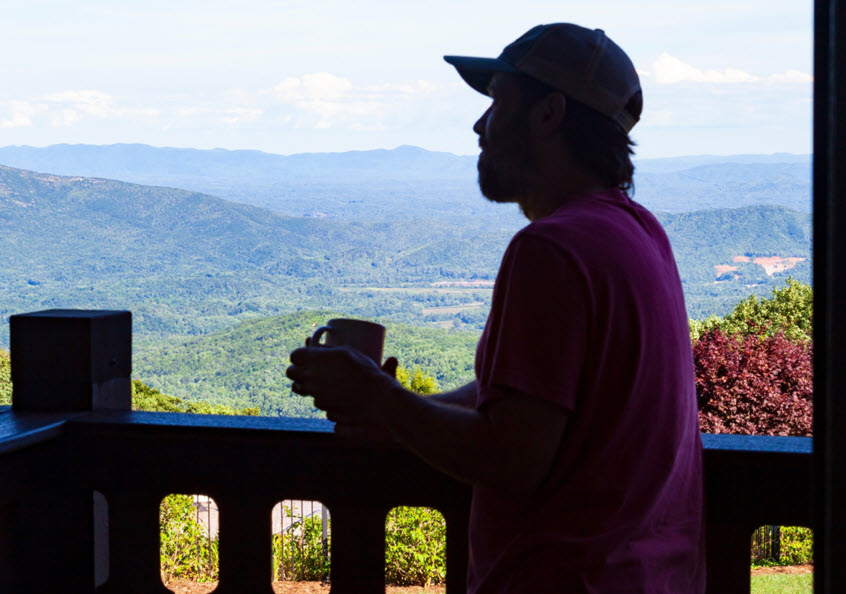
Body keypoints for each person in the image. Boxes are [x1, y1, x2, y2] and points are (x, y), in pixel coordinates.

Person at [287, 23, 705, 593]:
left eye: (498, 103)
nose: (480, 125)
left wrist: (380, 397)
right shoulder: (641, 233)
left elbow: (513, 459)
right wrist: (395, 411)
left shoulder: (551, 250)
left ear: (548, 114)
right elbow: (519, 402)